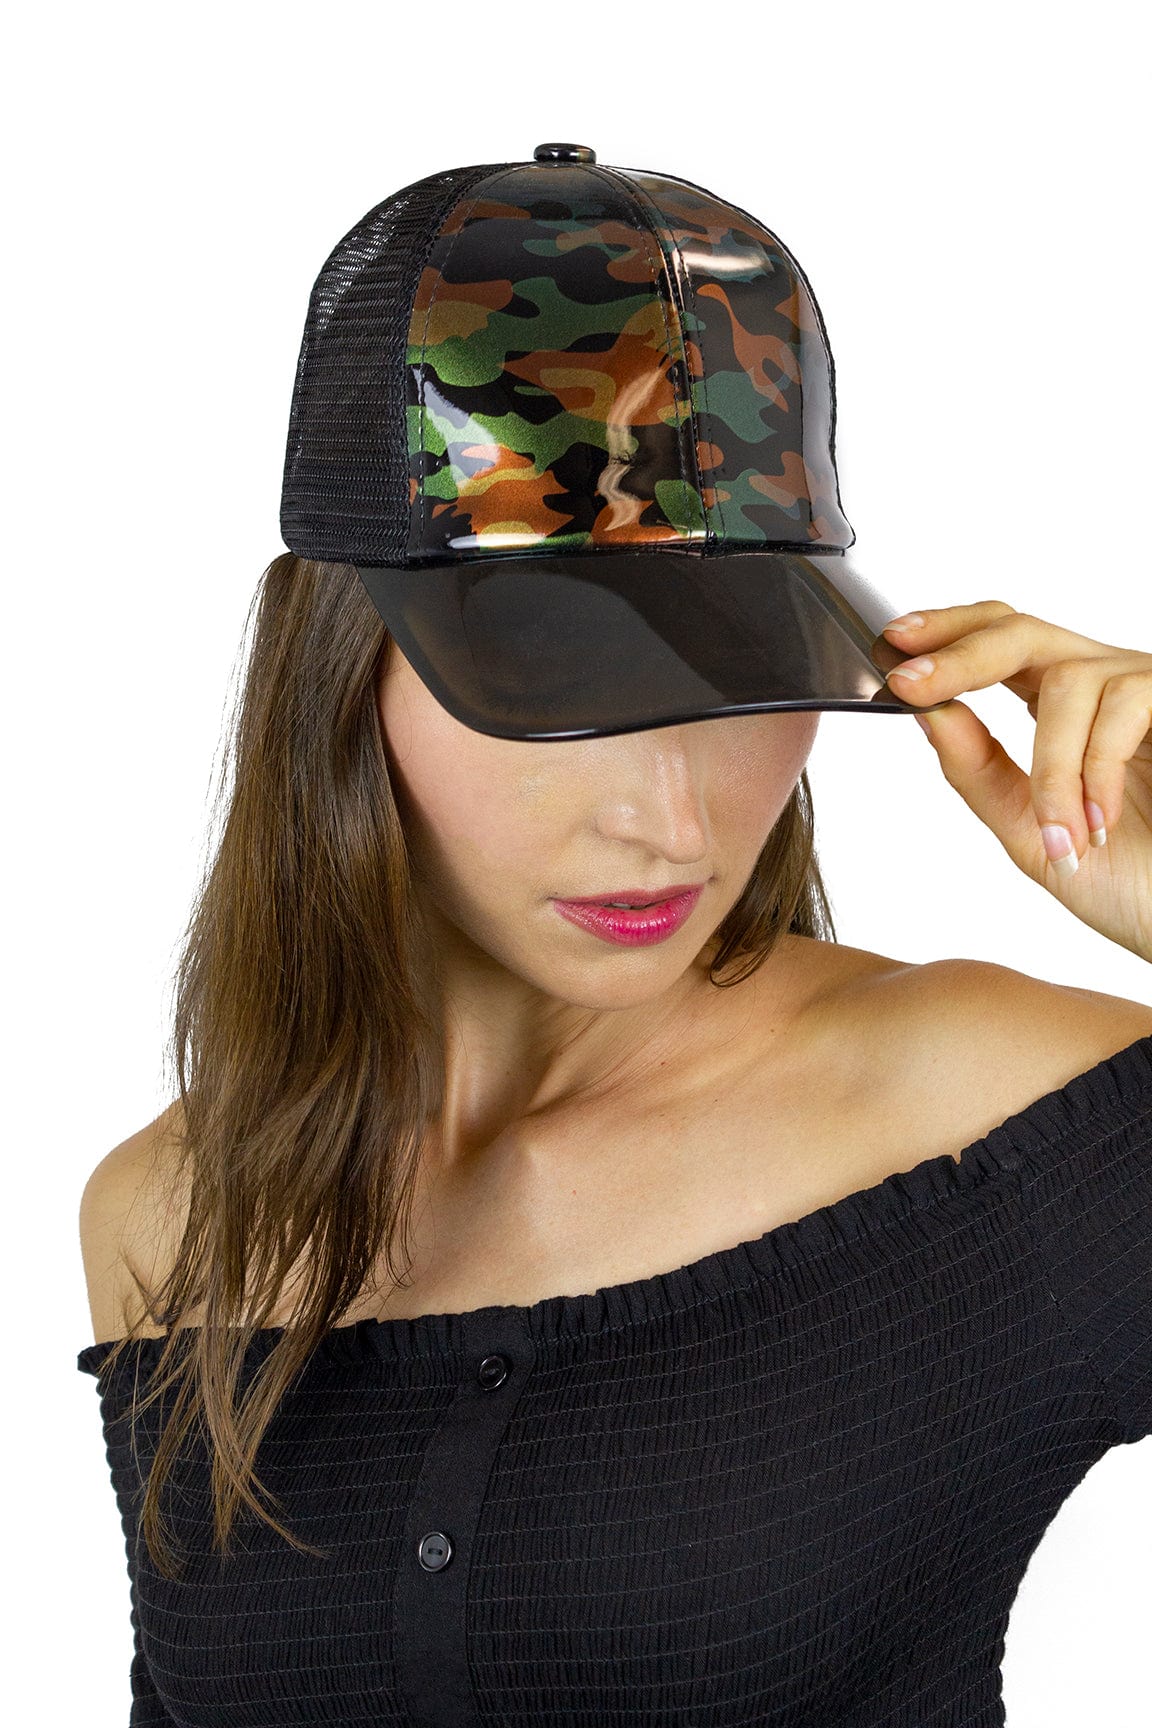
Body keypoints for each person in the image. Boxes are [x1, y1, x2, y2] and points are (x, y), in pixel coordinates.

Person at [77, 144, 1152, 1726]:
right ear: (341, 674)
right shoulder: (173, 1215)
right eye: (564, 692)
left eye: (743, 681)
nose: (673, 820)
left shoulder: (981, 1119)